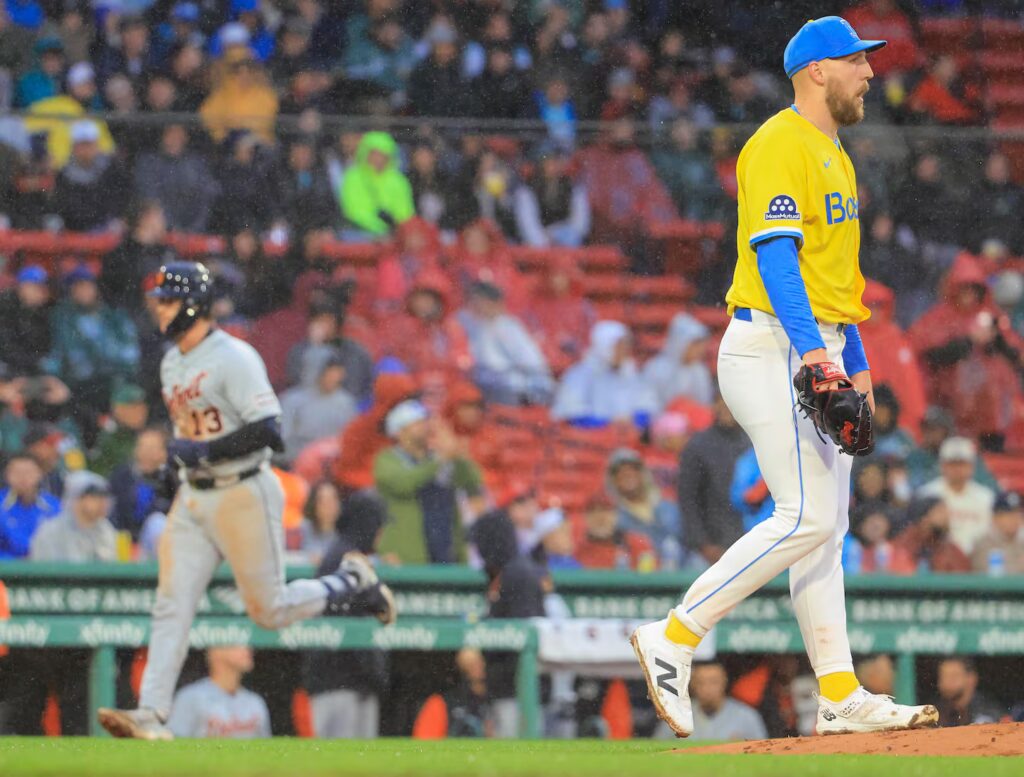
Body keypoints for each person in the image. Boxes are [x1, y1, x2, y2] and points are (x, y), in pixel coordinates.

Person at [629, 18, 937, 740]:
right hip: (771, 345)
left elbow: (836, 283)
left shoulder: (836, 152)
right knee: (808, 516)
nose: (869, 72)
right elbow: (775, 259)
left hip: (814, 342)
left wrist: (854, 365)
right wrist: (811, 354)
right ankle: (675, 634)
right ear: (816, 71)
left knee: (826, 533)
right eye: (856, 60)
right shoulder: (778, 143)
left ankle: (839, 694)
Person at [97, 262, 396, 741]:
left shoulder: (234, 356)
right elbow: (189, 430)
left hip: (243, 489)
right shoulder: (172, 360)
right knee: (172, 604)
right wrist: (177, 472)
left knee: (270, 611)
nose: (160, 309)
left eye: (169, 300)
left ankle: (349, 585)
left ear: (193, 304)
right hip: (197, 495)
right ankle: (151, 713)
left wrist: (204, 451)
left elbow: (269, 431)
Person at [303, 489, 390, 738]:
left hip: (356, 682)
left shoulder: (352, 556)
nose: (381, 532)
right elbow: (341, 614)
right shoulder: (341, 558)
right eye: (378, 525)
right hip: (335, 680)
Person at [374, 399, 482, 564]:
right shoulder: (387, 460)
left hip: (447, 551)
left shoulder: (437, 458)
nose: (425, 427)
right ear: (399, 431)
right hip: (408, 555)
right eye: (416, 423)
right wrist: (440, 460)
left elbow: (471, 481)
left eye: (425, 422)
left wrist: (457, 454)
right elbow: (404, 483)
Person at [469, 510, 546, 738]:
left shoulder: (518, 574)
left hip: (518, 690)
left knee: (519, 755)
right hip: (502, 687)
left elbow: (522, 637)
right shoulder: (499, 573)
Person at [677, 395, 750, 565]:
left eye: (730, 401)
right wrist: (703, 544)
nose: (726, 408)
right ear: (713, 405)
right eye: (721, 401)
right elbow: (688, 499)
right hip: (710, 546)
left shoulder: (753, 441)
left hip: (751, 541)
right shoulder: (698, 445)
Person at [456, 281, 553, 406]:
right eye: (475, 301)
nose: (478, 306)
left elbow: (533, 364)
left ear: (496, 303)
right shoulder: (464, 321)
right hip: (477, 383)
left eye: (483, 301)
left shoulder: (508, 326)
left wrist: (540, 388)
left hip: (508, 388)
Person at [552, 320, 657, 426]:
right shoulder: (579, 375)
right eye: (618, 346)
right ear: (604, 346)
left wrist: (633, 420)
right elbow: (572, 415)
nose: (624, 351)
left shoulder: (631, 373)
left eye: (625, 346)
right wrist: (608, 423)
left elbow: (647, 407)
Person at [331, 372, 418, 493]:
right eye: (402, 403)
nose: (407, 409)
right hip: (367, 493)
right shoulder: (359, 430)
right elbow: (346, 471)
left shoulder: (418, 428)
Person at [605, 448, 685, 569]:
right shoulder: (613, 515)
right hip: (636, 577)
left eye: (633, 469)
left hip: (676, 570)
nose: (627, 474)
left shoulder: (666, 505)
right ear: (613, 479)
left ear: (643, 473)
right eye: (619, 471)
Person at [167, 647, 270, 739]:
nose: (247, 648)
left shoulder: (256, 702)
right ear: (215, 652)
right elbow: (173, 749)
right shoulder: (190, 697)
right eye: (237, 643)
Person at [917, 437, 995, 556]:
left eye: (962, 463)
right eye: (952, 464)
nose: (957, 469)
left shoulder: (986, 497)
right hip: (938, 561)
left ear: (972, 466)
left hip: (978, 561)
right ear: (942, 465)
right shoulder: (927, 494)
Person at [285, 302, 373, 404]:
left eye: (327, 321)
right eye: (318, 321)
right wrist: (316, 346)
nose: (323, 326)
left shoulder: (354, 352)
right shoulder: (299, 351)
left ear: (337, 323)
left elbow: (354, 388)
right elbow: (297, 384)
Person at [280, 351, 357, 464]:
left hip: (335, 466)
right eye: (329, 372)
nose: (334, 377)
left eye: (338, 372)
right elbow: (283, 440)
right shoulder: (292, 402)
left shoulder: (346, 403)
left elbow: (350, 439)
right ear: (315, 371)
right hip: (298, 464)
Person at [667, 661, 768, 741]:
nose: (707, 689)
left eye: (714, 682)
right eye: (701, 682)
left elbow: (764, 752)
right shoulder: (678, 716)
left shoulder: (747, 716)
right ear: (693, 685)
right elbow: (658, 750)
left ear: (724, 682)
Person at [513, 143, 590, 248]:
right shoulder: (526, 191)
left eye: (557, 160)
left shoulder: (574, 189)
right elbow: (529, 228)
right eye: (549, 160)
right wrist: (546, 244)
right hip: (538, 250)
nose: (554, 164)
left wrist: (559, 234)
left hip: (568, 247)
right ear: (540, 163)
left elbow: (580, 225)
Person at [29, 470, 116, 562]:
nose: (102, 502)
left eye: (104, 496)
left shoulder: (106, 529)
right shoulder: (51, 531)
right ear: (75, 499)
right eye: (94, 496)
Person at [339, 131, 414, 238]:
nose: (378, 158)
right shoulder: (353, 177)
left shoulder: (399, 180)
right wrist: (381, 229)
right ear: (365, 153)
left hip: (395, 234)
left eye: (382, 154)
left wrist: (395, 229)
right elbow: (353, 210)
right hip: (360, 232)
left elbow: (406, 213)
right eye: (374, 153)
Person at [108, 427, 172, 543]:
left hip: (161, 545)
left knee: (157, 523)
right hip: (123, 543)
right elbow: (113, 512)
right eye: (141, 446)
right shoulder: (123, 476)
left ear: (164, 452)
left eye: (151, 448)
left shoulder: (172, 478)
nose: (145, 452)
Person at [642, 313, 714, 411]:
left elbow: (705, 404)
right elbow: (647, 402)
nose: (700, 350)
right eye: (695, 344)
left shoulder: (699, 371)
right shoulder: (656, 368)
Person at [574, 492, 656, 571]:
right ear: (585, 517)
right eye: (593, 511)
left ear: (616, 515)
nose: (600, 517)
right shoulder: (577, 550)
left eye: (606, 510)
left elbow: (650, 578)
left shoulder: (638, 544)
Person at [0, 453, 60, 558]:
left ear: (40, 474)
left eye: (28, 472)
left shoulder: (53, 505)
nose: (23, 478)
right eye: (16, 472)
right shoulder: (2, 504)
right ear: (6, 475)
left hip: (46, 568)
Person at [892, 497, 971, 573]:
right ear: (924, 519)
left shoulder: (950, 550)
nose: (947, 517)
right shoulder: (903, 545)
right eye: (940, 511)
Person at [0, 265, 52, 377]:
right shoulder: (6, 310)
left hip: (29, 371)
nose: (41, 292)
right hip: (11, 371)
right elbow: (8, 349)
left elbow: (45, 347)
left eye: (43, 288)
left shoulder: (43, 312)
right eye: (36, 287)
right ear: (23, 287)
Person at [90, 384, 150, 478]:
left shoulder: (147, 432)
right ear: (118, 410)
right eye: (134, 407)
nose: (142, 411)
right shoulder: (110, 439)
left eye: (143, 406)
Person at [933, 657, 1002, 727]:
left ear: (971, 679)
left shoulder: (988, 711)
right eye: (943, 676)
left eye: (954, 676)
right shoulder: (935, 713)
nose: (947, 681)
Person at [970, 492, 1024, 575]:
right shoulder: (983, 543)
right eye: (1009, 515)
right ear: (995, 518)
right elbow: (988, 575)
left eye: (1018, 514)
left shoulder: (1021, 542)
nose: (1015, 519)